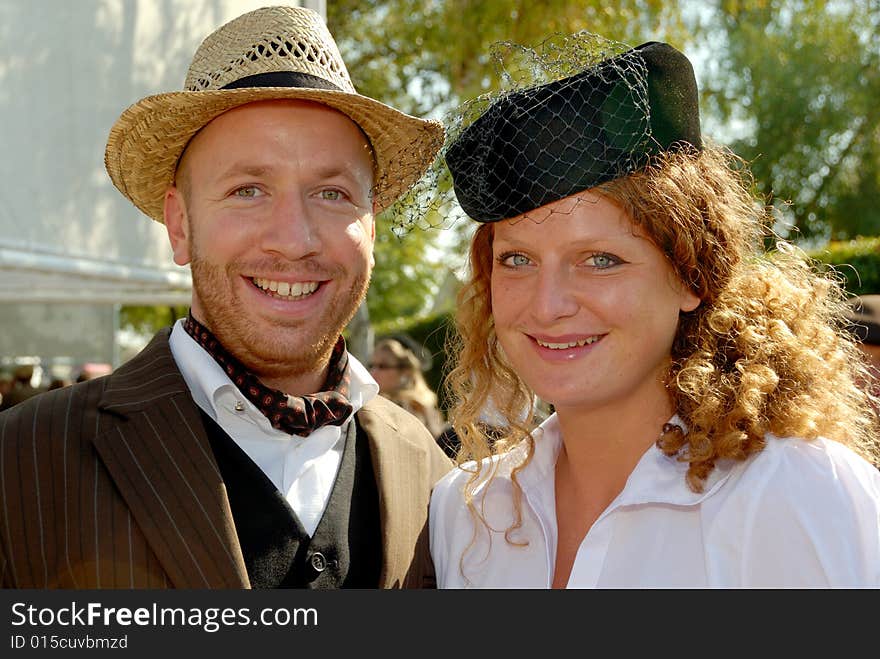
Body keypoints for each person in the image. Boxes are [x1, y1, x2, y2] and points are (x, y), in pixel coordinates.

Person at [0, 5, 452, 589]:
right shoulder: (24, 463)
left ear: (371, 225)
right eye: (247, 190)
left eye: (333, 193)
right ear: (180, 226)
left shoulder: (435, 474)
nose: (295, 239)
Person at [428, 34, 880, 587]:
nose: (547, 305)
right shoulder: (466, 513)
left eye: (600, 259)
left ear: (692, 275)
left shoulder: (798, 498)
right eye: (517, 259)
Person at [369, 336, 445, 438]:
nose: (373, 372)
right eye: (372, 365)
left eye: (382, 366)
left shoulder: (406, 406)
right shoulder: (423, 402)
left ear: (405, 371)